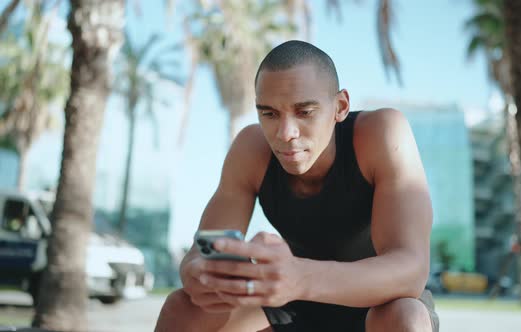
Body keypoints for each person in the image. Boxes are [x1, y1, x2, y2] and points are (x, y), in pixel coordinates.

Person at [155, 40, 438, 332]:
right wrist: (198, 273)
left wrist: (300, 278)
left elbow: (411, 271)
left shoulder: (380, 133)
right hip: (294, 308)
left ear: (340, 107)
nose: (285, 133)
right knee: (184, 307)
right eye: (269, 114)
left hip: (375, 305)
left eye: (304, 112)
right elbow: (204, 252)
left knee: (407, 317)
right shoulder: (251, 150)